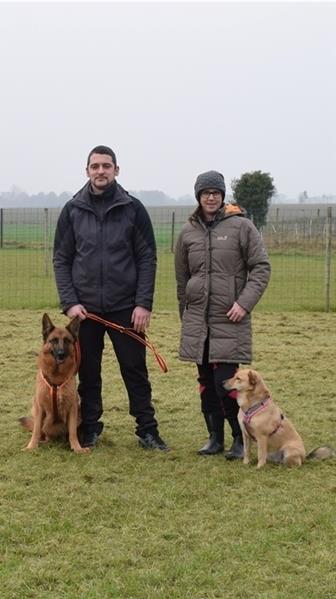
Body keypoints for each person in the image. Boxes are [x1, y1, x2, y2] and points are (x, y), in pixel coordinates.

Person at [53, 145, 168, 451]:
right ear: (87, 171)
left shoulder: (133, 208)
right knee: (88, 371)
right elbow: (61, 260)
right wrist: (70, 303)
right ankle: (90, 427)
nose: (100, 171)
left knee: (135, 371)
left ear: (117, 170)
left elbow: (147, 258)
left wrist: (143, 303)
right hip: (84, 312)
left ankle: (147, 430)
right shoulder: (72, 210)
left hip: (126, 309)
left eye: (106, 166)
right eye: (95, 166)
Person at [175, 171, 270, 459]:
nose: (211, 197)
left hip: (230, 319)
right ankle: (214, 438)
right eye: (205, 193)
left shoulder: (242, 227)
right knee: (205, 382)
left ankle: (239, 439)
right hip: (197, 322)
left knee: (225, 382)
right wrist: (186, 316)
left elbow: (261, 268)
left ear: (222, 195)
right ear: (198, 197)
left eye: (216, 192)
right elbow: (182, 279)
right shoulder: (188, 232)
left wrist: (244, 303)